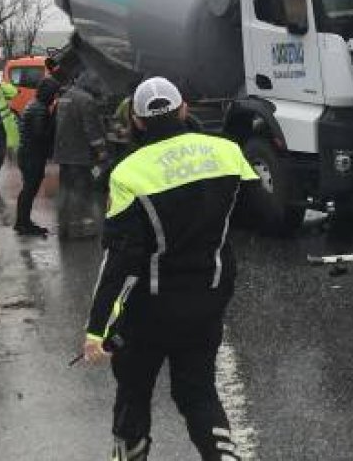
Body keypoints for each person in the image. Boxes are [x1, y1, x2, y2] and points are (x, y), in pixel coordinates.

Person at [81, 77, 257, 461]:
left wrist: (98, 328)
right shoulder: (227, 152)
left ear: (139, 121)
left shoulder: (129, 172)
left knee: (133, 394)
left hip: (148, 313)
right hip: (207, 302)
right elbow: (255, 213)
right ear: (183, 110)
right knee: (199, 394)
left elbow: (119, 261)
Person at [53, 73, 108, 239]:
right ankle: (80, 230)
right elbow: (91, 129)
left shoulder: (65, 96)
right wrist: (101, 150)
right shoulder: (86, 100)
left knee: (66, 189)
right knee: (81, 191)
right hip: (80, 155)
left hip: (64, 154)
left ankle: (64, 227)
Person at [14, 77, 61, 236]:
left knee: (28, 189)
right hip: (31, 155)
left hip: (28, 154)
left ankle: (22, 222)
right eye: (53, 94)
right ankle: (23, 224)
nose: (54, 97)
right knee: (29, 189)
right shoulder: (39, 109)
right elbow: (41, 135)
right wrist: (54, 116)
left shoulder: (34, 105)